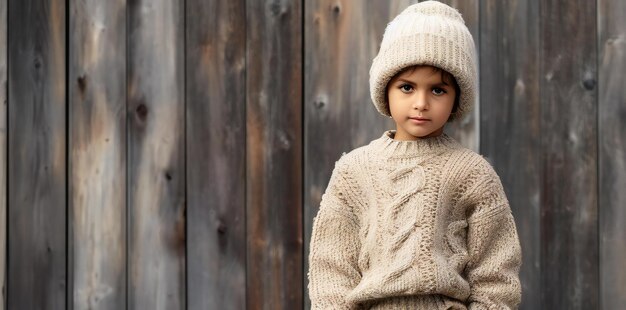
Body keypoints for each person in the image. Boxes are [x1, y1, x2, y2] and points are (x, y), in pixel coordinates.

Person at [307, 1, 522, 309]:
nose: (421, 102)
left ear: (457, 96)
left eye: (437, 90)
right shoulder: (354, 170)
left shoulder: (472, 173)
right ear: (385, 89)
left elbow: (496, 274)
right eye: (407, 87)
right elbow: (332, 268)